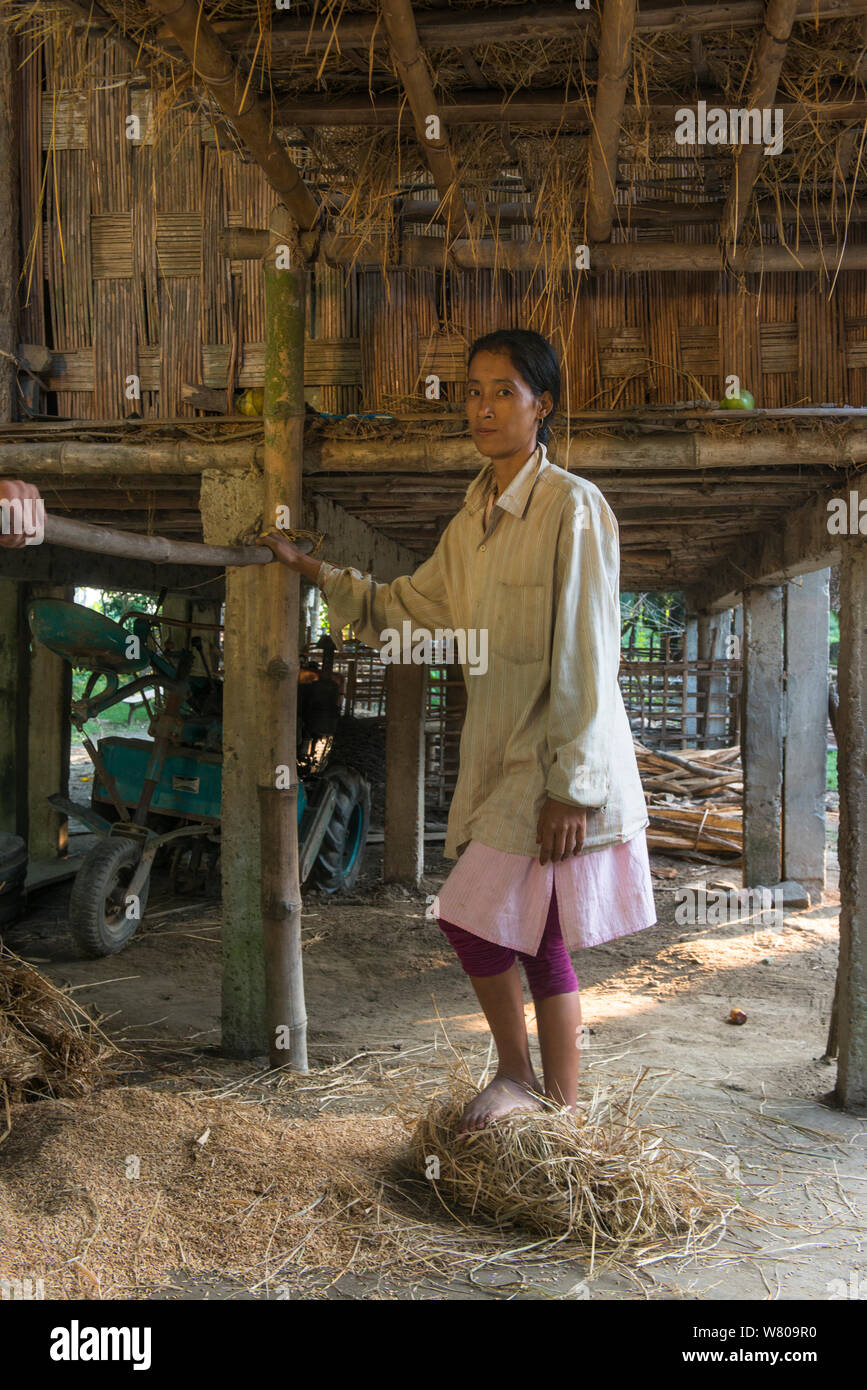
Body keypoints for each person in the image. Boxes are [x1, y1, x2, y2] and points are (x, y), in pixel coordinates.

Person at [260, 328, 656, 1137]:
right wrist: (317, 574)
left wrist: (571, 787)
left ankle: (517, 1077)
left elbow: (587, 652)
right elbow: (409, 606)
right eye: (471, 390)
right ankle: (560, 1114)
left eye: (501, 391)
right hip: (503, 753)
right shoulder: (473, 514)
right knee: (534, 932)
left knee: (466, 915)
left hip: (551, 761)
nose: (480, 406)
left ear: (540, 406)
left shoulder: (570, 507)